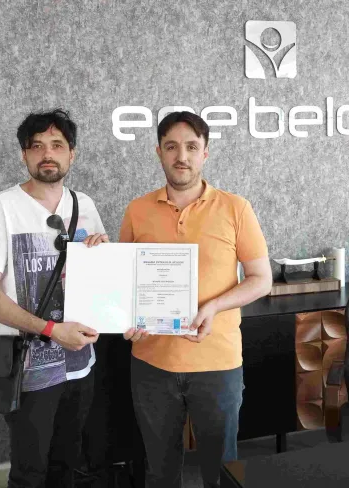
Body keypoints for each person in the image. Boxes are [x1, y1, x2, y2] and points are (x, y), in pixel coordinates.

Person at [119, 111, 272, 488]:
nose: (181, 156)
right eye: (171, 147)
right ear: (159, 152)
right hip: (152, 364)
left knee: (221, 472)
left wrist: (213, 306)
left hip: (217, 364)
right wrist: (125, 316)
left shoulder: (236, 208)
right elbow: (125, 281)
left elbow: (261, 279)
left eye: (191, 146)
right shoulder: (137, 210)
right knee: (160, 472)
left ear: (205, 152)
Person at [0, 109, 109, 488]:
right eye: (37, 146)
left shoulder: (85, 206)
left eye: (57, 145)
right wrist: (50, 329)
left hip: (79, 364)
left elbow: (98, 283)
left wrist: (105, 258)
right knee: (29, 474)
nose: (48, 154)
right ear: (24, 155)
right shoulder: (2, 207)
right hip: (30, 369)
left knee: (66, 467)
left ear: (71, 154)